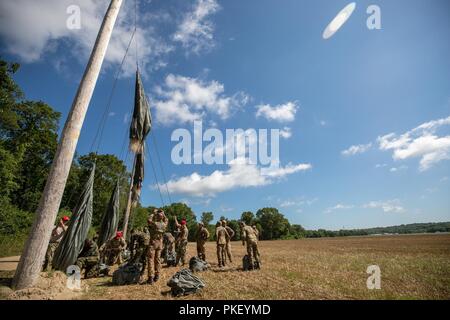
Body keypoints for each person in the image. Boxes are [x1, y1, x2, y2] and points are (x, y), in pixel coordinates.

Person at [145, 209, 168, 284]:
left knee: (150, 259)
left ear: (157, 217)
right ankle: (157, 275)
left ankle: (150, 277)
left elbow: (148, 220)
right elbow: (166, 219)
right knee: (158, 259)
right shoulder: (164, 224)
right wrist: (163, 214)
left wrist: (153, 213)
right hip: (160, 244)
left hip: (153, 243)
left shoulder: (155, 224)